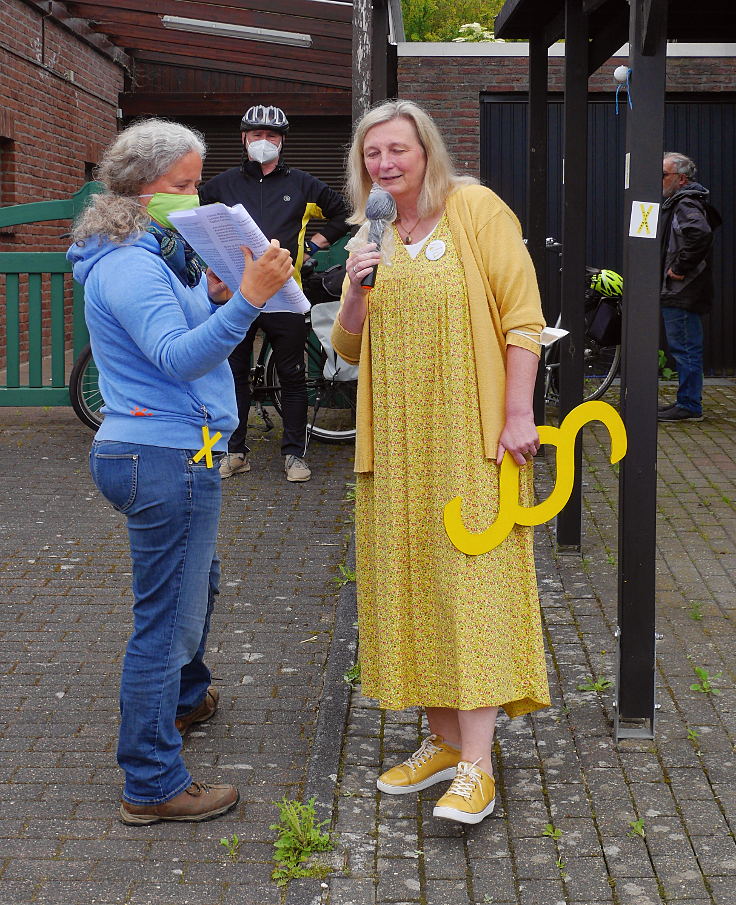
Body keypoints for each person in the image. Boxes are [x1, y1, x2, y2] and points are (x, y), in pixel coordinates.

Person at [67, 118, 293, 825]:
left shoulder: (148, 248)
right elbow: (176, 356)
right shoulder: (132, 261)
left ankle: (188, 696)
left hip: (165, 449)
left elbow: (183, 324)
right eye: (185, 185)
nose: (196, 197)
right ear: (141, 186)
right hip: (162, 454)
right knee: (163, 621)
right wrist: (253, 297)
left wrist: (222, 296)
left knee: (201, 581)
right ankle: (153, 780)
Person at [331, 100, 550, 825]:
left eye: (397, 150)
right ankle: (444, 741)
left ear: (425, 150)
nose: (385, 165)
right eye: (372, 155)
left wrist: (518, 414)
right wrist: (357, 291)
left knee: (472, 586)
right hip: (396, 440)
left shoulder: (475, 208)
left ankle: (480, 766)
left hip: (469, 433)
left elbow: (523, 319)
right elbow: (347, 347)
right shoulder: (374, 233)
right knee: (413, 583)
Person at [199, 104, 350, 482]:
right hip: (237, 295)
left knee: (292, 376)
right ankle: (235, 452)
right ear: (244, 139)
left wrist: (313, 247)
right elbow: (195, 225)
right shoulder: (220, 186)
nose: (264, 142)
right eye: (256, 135)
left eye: (272, 136)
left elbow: (344, 213)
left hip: (286, 293)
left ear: (282, 142)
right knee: (233, 375)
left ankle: (294, 456)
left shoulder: (302, 183)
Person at [658, 152, 721, 423]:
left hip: (682, 291)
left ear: (681, 179)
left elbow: (700, 234)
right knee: (684, 347)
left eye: (663, 175)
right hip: (680, 291)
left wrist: (680, 270)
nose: (659, 180)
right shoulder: (682, 202)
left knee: (685, 348)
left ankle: (689, 405)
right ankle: (686, 401)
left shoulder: (686, 204)